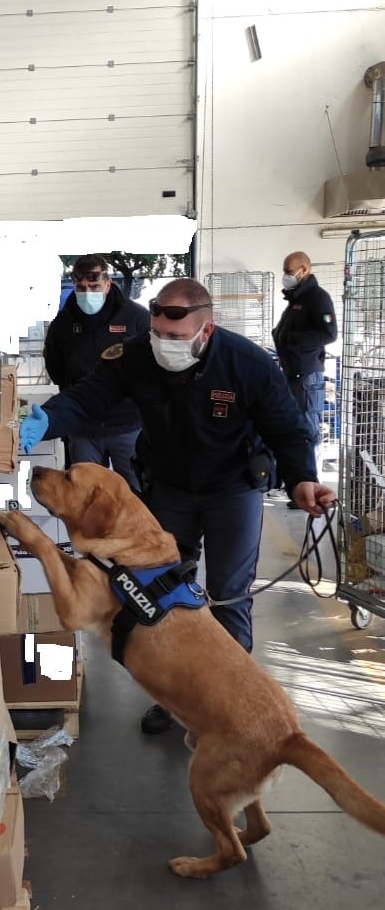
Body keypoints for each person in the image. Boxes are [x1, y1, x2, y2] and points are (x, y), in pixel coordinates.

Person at [21, 279, 336, 734]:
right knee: (160, 595)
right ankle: (177, 700)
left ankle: (227, 703)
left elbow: (287, 428)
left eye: (175, 338)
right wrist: (51, 416)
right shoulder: (138, 356)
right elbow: (92, 395)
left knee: (229, 594)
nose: (163, 345)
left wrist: (304, 477)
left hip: (233, 488)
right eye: (157, 335)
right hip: (170, 487)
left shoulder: (247, 365)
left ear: (205, 331)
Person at [43, 255, 149, 491]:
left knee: (136, 493)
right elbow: (56, 368)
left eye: (94, 286)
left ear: (108, 283)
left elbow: (151, 367)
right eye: (81, 287)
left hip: (128, 425)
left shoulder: (136, 318)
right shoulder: (63, 324)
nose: (87, 293)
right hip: (83, 427)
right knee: (85, 495)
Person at [271, 252, 338, 507]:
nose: (286, 275)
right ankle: (295, 483)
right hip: (292, 374)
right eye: (285, 270)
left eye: (290, 270)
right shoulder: (297, 299)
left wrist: (294, 342)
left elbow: (329, 333)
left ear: (304, 270)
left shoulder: (317, 298)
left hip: (307, 375)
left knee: (309, 430)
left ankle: (313, 487)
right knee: (293, 427)